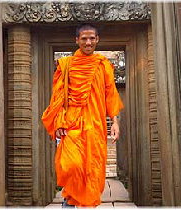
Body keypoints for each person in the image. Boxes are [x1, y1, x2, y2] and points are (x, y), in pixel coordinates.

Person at [41, 24, 124, 207]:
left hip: (95, 124)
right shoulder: (66, 65)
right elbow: (58, 97)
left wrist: (115, 122)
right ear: (76, 40)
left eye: (92, 38)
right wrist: (59, 122)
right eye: (84, 38)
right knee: (71, 164)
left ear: (97, 40)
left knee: (92, 168)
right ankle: (70, 198)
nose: (88, 42)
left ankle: (77, 205)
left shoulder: (103, 65)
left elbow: (110, 94)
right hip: (71, 123)